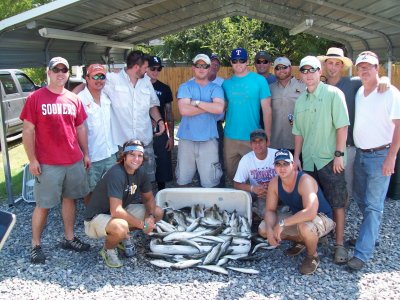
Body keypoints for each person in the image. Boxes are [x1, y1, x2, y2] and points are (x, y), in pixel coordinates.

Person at [20, 57, 91, 264]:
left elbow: (80, 128)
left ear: (68, 73)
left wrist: (85, 153)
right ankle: (35, 245)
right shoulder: (35, 98)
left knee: (70, 199)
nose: (60, 73)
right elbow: (28, 130)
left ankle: (69, 238)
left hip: (73, 160)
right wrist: (32, 160)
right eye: (56, 69)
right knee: (43, 204)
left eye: (64, 69)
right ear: (48, 73)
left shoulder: (73, 99)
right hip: (48, 163)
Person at [292, 56, 350, 264]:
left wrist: (339, 155)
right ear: (301, 75)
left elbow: (342, 126)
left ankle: (340, 245)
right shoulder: (299, 101)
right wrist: (296, 157)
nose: (308, 74)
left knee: (337, 202)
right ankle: (317, 238)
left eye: (312, 70)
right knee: (312, 202)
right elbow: (298, 132)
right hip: (308, 161)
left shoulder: (334, 94)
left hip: (329, 159)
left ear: (320, 71)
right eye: (304, 71)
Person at [74, 50, 165, 182]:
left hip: (144, 141)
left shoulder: (146, 82)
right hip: (122, 145)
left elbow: (152, 105)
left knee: (146, 181)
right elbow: (90, 84)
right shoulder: (112, 79)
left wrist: (160, 120)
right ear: (136, 67)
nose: (147, 71)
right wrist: (69, 98)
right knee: (122, 183)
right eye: (145, 67)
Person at [347, 51, 400, 271]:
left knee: (374, 206)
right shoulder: (359, 91)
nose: (365, 70)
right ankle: (370, 236)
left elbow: (398, 126)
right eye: (361, 67)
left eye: (369, 66)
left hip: (381, 155)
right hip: (361, 154)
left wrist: (391, 157)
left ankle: (362, 253)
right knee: (360, 197)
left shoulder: (390, 93)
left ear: (377, 68)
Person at [317, 47, 389, 200]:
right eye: (330, 63)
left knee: (347, 186)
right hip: (323, 146)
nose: (333, 67)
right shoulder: (318, 87)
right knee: (327, 185)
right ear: (324, 65)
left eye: (337, 64)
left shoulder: (354, 84)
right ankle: (329, 219)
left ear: (342, 66)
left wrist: (385, 80)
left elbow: (374, 80)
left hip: (347, 146)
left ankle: (344, 219)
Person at [83, 140, 164, 268]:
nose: (136, 159)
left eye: (140, 155)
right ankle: (108, 249)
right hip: (95, 218)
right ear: (124, 156)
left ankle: (119, 237)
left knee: (158, 212)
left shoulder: (140, 172)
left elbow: (148, 199)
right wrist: (143, 225)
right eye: (132, 154)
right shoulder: (116, 173)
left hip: (117, 211)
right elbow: (116, 211)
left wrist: (150, 217)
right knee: (121, 226)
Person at [259, 149, 335, 275]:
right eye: (278, 164)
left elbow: (311, 212)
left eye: (286, 164)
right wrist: (270, 229)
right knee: (263, 228)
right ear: (274, 167)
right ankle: (302, 241)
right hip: (299, 218)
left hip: (322, 217)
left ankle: (312, 256)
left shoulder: (304, 181)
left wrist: (282, 223)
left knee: (305, 226)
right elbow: (270, 210)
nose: (282, 168)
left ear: (293, 165)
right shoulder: (274, 183)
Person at [222, 47, 272, 182]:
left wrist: (268, 135)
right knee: (233, 177)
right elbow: (222, 108)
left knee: (255, 177)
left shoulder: (260, 81)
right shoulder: (225, 84)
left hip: (252, 137)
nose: (238, 63)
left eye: (242, 60)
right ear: (231, 62)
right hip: (230, 137)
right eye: (235, 60)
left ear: (247, 61)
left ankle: (254, 202)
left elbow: (267, 109)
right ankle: (238, 202)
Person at [176, 54, 224, 187]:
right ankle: (184, 207)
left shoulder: (216, 88)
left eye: (205, 66)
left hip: (209, 139)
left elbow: (219, 108)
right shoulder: (185, 87)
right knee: (183, 180)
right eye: (198, 65)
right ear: (193, 67)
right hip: (187, 139)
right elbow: (184, 110)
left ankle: (209, 207)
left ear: (209, 68)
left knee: (210, 181)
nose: (201, 68)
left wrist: (196, 102)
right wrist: (209, 107)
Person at [78, 64, 118, 205]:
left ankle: (108, 214)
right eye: (95, 76)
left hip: (110, 152)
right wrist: (84, 154)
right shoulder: (79, 100)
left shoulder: (107, 97)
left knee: (112, 186)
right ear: (87, 78)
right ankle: (90, 217)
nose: (99, 80)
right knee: (89, 189)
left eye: (102, 76)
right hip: (92, 156)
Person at [233, 129, 277, 221]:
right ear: (250, 144)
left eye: (261, 141)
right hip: (259, 194)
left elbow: (290, 178)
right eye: (254, 142)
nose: (257, 144)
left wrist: (272, 190)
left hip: (278, 192)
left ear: (267, 142)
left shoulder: (277, 155)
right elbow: (236, 184)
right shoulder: (246, 159)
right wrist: (253, 188)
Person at [147, 56, 174, 190]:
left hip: (160, 131)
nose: (156, 71)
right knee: (142, 165)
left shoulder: (164, 88)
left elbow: (169, 113)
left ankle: (161, 195)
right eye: (153, 68)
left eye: (159, 69)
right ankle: (144, 198)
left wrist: (171, 137)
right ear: (145, 68)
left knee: (162, 165)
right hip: (142, 131)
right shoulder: (138, 86)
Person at [269, 57, 306, 151]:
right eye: (278, 68)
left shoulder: (303, 87)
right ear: (274, 71)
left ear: (290, 68)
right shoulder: (269, 89)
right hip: (275, 143)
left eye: (284, 67)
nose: (281, 70)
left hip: (297, 143)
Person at [208, 53, 226, 187]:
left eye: (217, 64)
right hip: (199, 124)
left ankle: (220, 188)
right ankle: (204, 188)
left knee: (219, 157)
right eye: (212, 63)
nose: (214, 66)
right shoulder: (193, 81)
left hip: (217, 124)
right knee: (200, 156)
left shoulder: (222, 83)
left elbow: (227, 103)